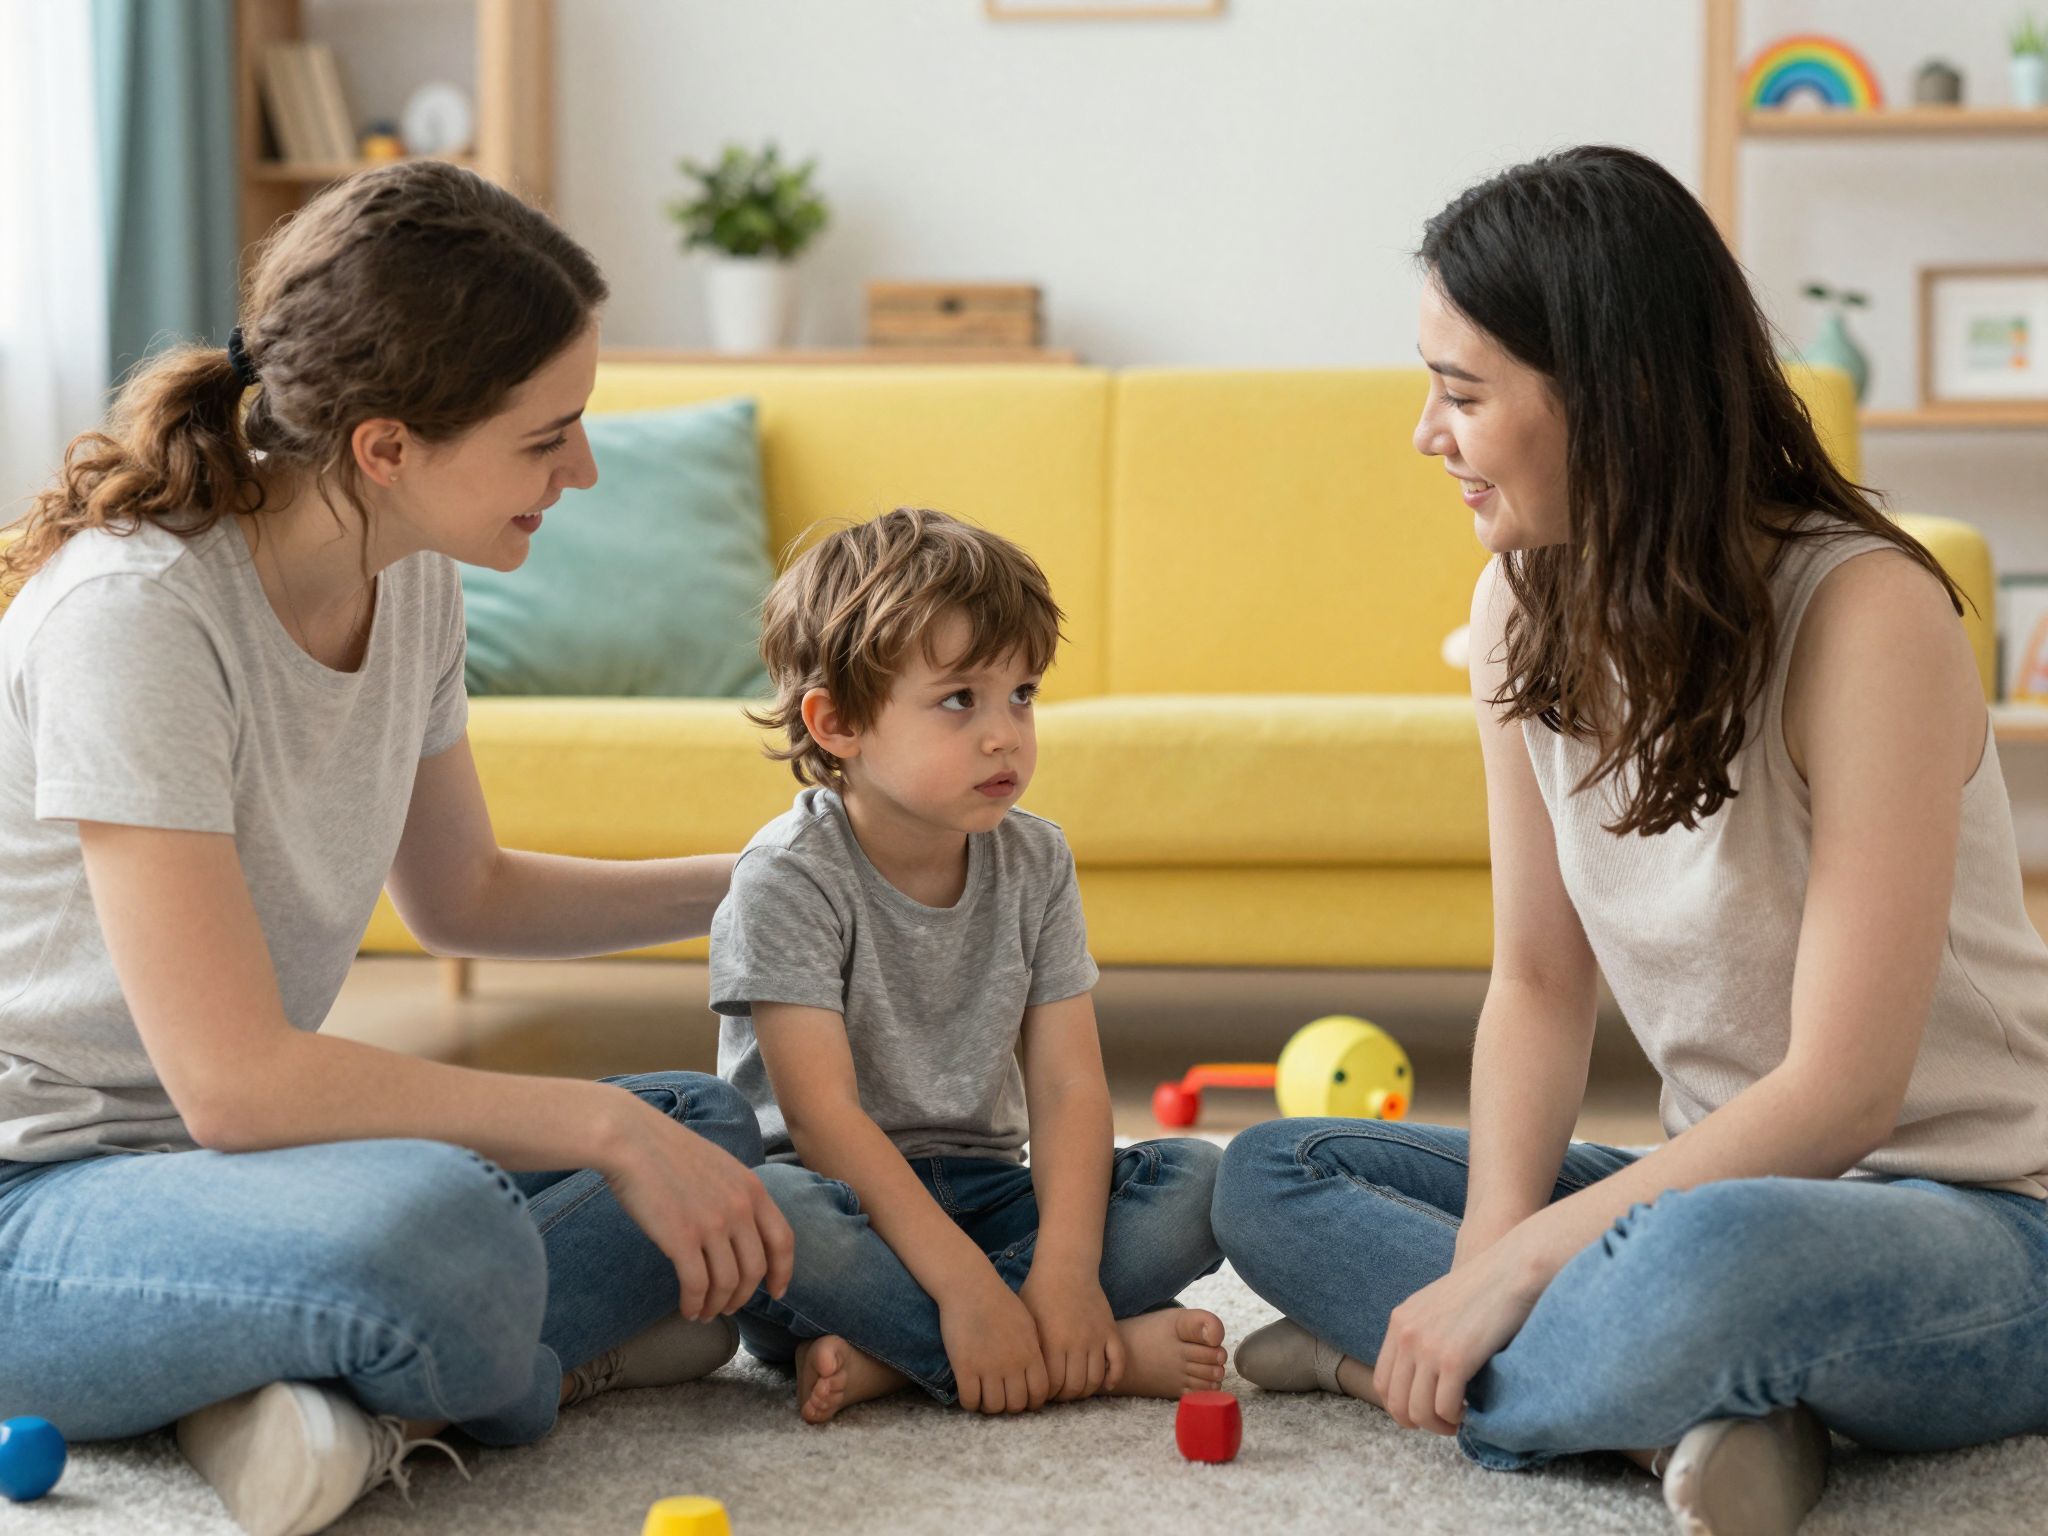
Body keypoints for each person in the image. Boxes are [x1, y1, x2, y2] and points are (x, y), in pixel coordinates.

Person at [1211, 145, 2048, 1536]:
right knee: (1265, 1177)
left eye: (1463, 394)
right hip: (1705, 1181)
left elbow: (1843, 1097)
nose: (1426, 435)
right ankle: (1699, 1410)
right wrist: (1487, 1257)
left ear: (1613, 401)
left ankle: (1399, 1371)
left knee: (1708, 1260)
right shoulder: (1516, 608)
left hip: (1978, 1218)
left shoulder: (1867, 616)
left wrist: (1518, 1272)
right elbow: (1539, 983)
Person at [0, 160, 793, 1536]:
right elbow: (236, 1086)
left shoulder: (409, 574)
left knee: (703, 1132)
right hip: (40, 1201)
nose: (583, 469)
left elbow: (464, 896)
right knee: (452, 1223)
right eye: (548, 437)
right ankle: (447, 1382)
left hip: (241, 1183)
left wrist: (760, 883)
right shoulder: (137, 618)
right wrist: (593, 1126)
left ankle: (318, 1391)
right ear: (385, 448)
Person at [712, 507, 1227, 1424]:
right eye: (960, 700)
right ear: (838, 723)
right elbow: (821, 1120)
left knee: (1201, 1179)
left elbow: (1069, 1087)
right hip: (843, 1209)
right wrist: (963, 1289)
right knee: (761, 1205)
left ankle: (908, 1358)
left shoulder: (1037, 859)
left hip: (992, 1192)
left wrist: (1066, 1271)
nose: (1005, 735)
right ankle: (1084, 1355)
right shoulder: (787, 876)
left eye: (1021, 694)